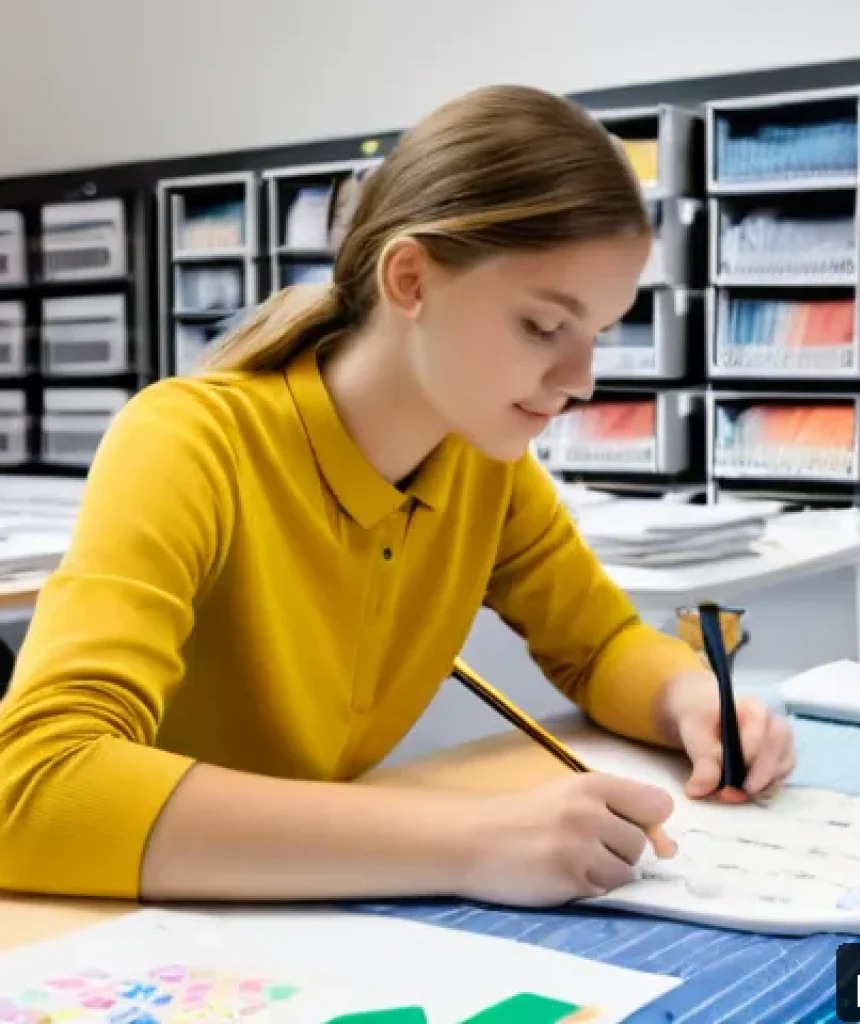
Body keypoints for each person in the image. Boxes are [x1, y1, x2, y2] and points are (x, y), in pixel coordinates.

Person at [0, 84, 795, 907]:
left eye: (596, 332)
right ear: (410, 279)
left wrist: (689, 699)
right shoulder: (190, 441)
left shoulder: (483, 463)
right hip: (118, 926)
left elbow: (598, 646)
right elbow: (31, 788)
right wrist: (472, 844)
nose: (581, 380)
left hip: (311, 913)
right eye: (542, 326)